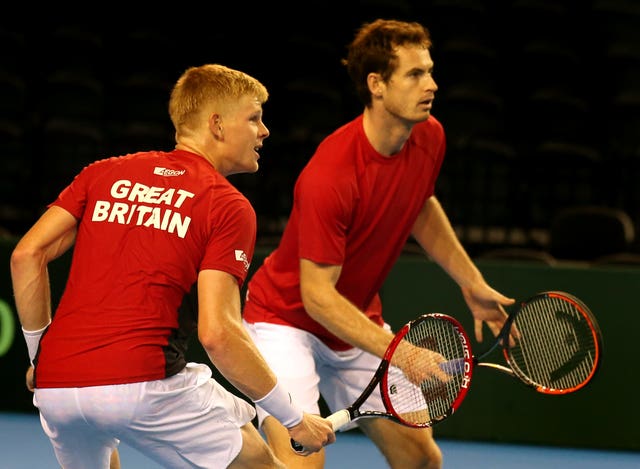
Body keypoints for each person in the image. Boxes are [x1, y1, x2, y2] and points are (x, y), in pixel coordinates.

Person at [11, 63, 334, 469]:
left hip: (57, 388)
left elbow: (26, 255)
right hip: (146, 384)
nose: (264, 131)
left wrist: (41, 360)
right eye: (254, 118)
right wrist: (292, 418)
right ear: (217, 125)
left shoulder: (103, 172)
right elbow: (219, 334)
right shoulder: (228, 205)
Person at [241, 19, 515, 469]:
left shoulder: (429, 136)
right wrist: (403, 352)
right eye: (415, 74)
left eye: (429, 71)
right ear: (377, 85)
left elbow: (421, 205)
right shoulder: (331, 174)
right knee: (301, 462)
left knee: (422, 460)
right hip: (285, 320)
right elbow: (316, 297)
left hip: (354, 320)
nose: (432, 84)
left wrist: (471, 282)